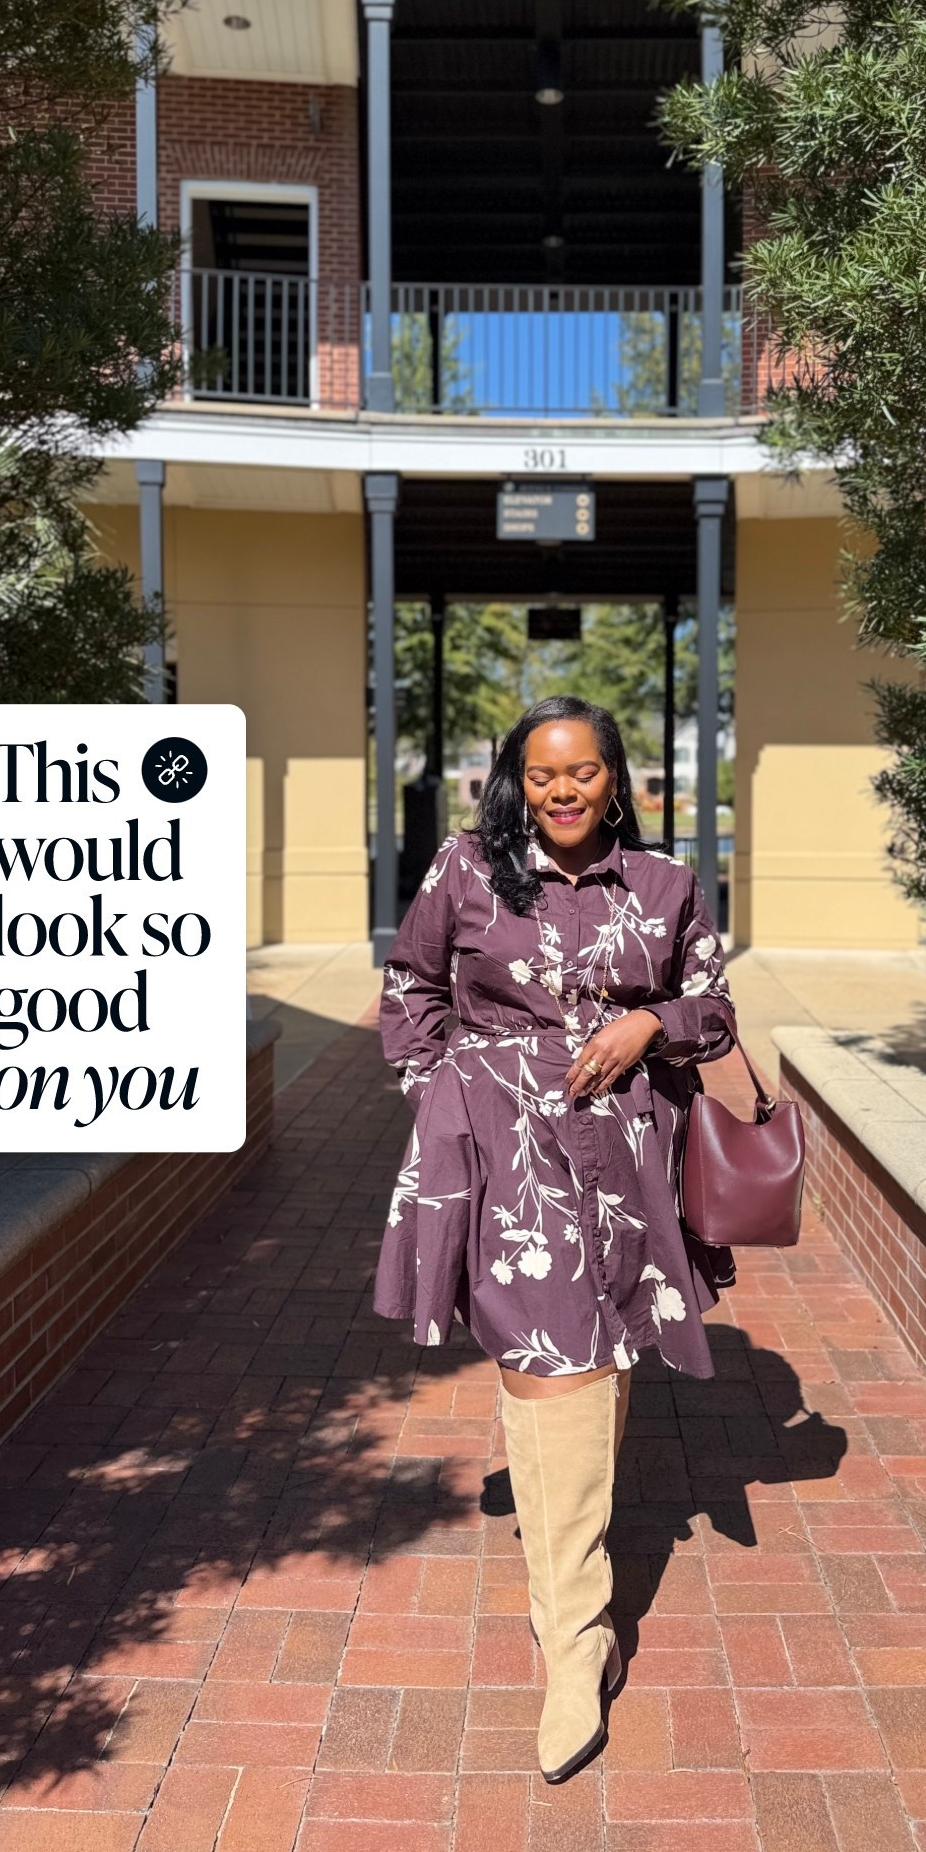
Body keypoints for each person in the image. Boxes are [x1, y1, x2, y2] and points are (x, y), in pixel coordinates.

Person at [373, 694, 738, 1783]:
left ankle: (572, 1563)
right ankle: (574, 1643)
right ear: (516, 781)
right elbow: (410, 988)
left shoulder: (665, 885)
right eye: (541, 773)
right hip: (509, 1158)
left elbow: (714, 1008)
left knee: (600, 1356)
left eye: (582, 771)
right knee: (551, 1362)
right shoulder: (467, 869)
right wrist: (446, 1101)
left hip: (629, 1158)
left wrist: (649, 1022)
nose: (562, 788)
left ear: (616, 779)